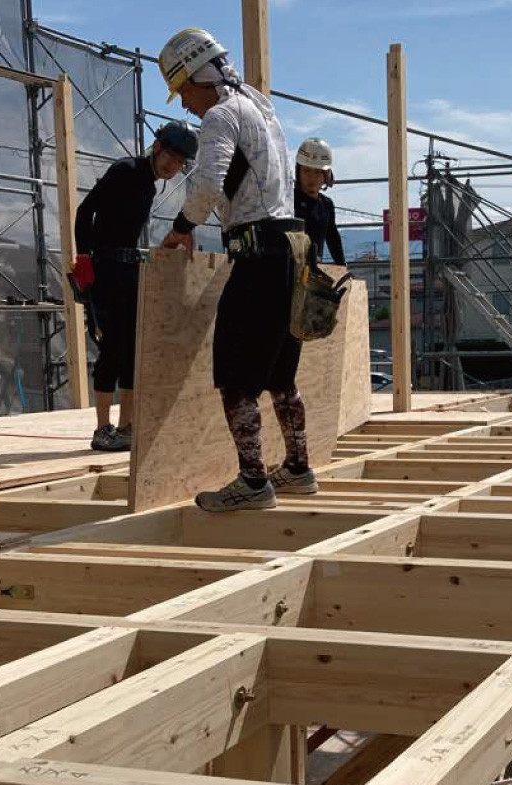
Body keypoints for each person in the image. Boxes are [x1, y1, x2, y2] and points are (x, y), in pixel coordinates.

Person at [157, 27, 318, 511]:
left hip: (258, 253)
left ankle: (252, 482)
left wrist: (182, 226)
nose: (185, 105)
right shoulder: (262, 110)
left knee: (235, 375)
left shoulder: (222, 116)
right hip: (292, 249)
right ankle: (297, 468)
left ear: (200, 77)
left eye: (183, 91)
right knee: (280, 374)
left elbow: (208, 184)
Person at [74, 120, 197, 451]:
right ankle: (102, 428)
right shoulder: (127, 170)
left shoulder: (148, 182)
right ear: (157, 148)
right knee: (112, 348)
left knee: (132, 350)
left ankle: (127, 425)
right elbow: (85, 211)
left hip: (128, 269)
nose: (173, 166)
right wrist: (84, 258)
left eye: (180, 162)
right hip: (106, 268)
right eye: (171, 156)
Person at [293, 137, 345, 266]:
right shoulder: (289, 199)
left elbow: (333, 238)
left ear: (326, 176)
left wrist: (342, 266)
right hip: (290, 269)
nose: (312, 177)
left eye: (318, 172)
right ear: (298, 172)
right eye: (307, 170)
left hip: (315, 269)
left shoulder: (326, 204)